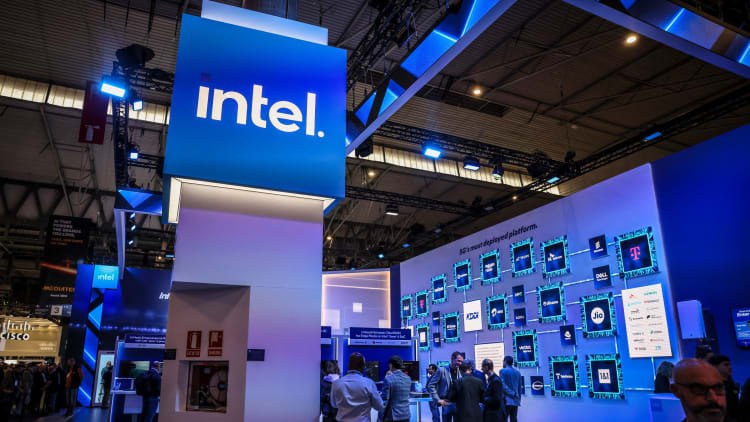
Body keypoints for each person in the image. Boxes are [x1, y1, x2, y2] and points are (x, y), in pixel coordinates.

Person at [330, 353, 384, 421]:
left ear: (348, 366)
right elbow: (379, 406)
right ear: (363, 367)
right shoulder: (369, 383)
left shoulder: (336, 383)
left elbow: (334, 404)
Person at [428, 351, 464, 422]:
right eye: (458, 361)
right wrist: (438, 399)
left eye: (461, 361)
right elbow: (431, 385)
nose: (460, 363)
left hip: (459, 403)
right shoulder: (442, 370)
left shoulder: (461, 371)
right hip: (447, 403)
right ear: (452, 359)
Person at [708, 355, 740, 421]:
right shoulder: (712, 386)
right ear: (715, 367)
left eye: (730, 365)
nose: (730, 367)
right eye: (726, 365)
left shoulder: (731, 384)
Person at [380, 355, 411, 422]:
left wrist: (380, 418)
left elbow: (385, 400)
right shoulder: (408, 378)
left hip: (393, 416)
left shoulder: (388, 379)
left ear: (391, 365)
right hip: (406, 415)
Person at [500, 356, 521, 422]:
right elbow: (519, 387)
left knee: (503, 419)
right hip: (516, 400)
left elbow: (503, 385)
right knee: (514, 419)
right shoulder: (518, 372)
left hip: (507, 400)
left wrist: (513, 394)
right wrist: (518, 398)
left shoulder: (502, 371)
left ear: (505, 361)